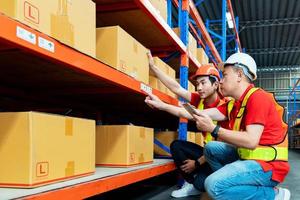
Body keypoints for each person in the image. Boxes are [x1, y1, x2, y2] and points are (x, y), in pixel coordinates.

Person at [188, 52, 290, 200]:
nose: (221, 81)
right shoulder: (236, 103)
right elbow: (196, 113)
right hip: (248, 158)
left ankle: (273, 195)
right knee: (211, 148)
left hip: (268, 166)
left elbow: (250, 141)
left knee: (212, 185)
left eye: (224, 75)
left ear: (239, 75)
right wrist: (162, 105)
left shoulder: (257, 98)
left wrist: (213, 129)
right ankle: (231, 186)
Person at [147, 52, 227, 198]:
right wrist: (154, 68)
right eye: (197, 84)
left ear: (215, 84)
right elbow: (177, 89)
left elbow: (189, 115)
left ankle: (198, 182)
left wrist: (196, 163)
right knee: (177, 146)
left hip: (219, 157)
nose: (199, 88)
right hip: (206, 151)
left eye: (203, 83)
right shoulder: (200, 99)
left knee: (203, 184)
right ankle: (192, 183)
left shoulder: (224, 106)